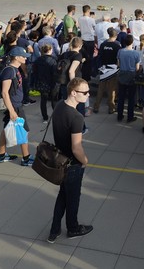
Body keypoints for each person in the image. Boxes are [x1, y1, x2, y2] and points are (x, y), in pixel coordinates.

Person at [47, 77, 93, 243]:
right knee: (73, 198)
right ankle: (73, 228)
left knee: (63, 195)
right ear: (74, 93)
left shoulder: (60, 105)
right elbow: (76, 147)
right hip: (72, 164)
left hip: (60, 161)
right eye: (85, 92)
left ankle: (54, 230)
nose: (88, 95)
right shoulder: (76, 117)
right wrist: (85, 161)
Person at [0, 47, 34, 166]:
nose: (25, 58)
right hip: (14, 106)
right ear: (16, 58)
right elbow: (4, 92)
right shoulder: (9, 71)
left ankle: (1, 155)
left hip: (14, 105)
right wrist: (12, 111)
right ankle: (26, 158)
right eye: (23, 56)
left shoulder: (14, 69)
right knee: (24, 130)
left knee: (6, 129)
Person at [93, 27, 120, 115]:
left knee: (101, 89)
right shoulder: (117, 45)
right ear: (116, 36)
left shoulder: (103, 44)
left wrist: (100, 66)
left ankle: (96, 106)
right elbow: (118, 58)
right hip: (112, 68)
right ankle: (111, 108)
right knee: (111, 90)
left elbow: (100, 56)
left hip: (104, 68)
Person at [116, 35, 141, 124]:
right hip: (131, 76)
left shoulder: (120, 51)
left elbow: (118, 64)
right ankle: (130, 116)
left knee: (121, 97)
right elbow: (137, 68)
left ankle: (119, 115)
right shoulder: (136, 53)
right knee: (131, 98)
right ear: (132, 42)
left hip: (122, 75)